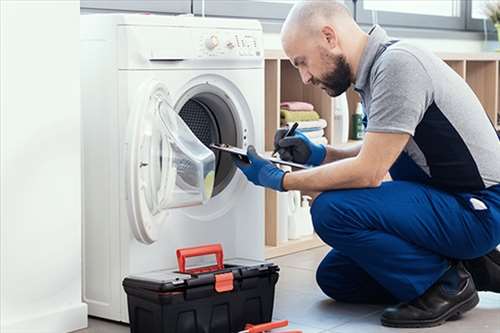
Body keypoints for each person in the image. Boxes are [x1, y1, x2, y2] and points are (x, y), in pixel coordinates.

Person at [234, 0, 500, 328]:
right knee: (336, 278)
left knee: (331, 210)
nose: (303, 77)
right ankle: (471, 265)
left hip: (477, 209)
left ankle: (446, 284)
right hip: (446, 201)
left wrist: (279, 180)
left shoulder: (398, 65)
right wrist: (319, 153)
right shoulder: (376, 70)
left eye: (302, 62)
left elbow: (370, 171)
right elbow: (386, 146)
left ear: (330, 37)